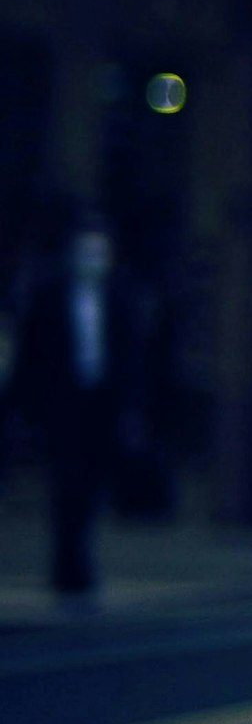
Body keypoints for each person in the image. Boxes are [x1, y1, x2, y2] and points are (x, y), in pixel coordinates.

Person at [13, 206, 124, 603]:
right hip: (61, 404)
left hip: (100, 402)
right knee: (65, 484)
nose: (92, 262)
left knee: (90, 486)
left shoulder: (117, 297)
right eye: (84, 253)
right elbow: (30, 355)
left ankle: (77, 560)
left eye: (99, 254)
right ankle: (70, 566)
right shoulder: (48, 296)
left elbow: (132, 358)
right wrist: (26, 408)